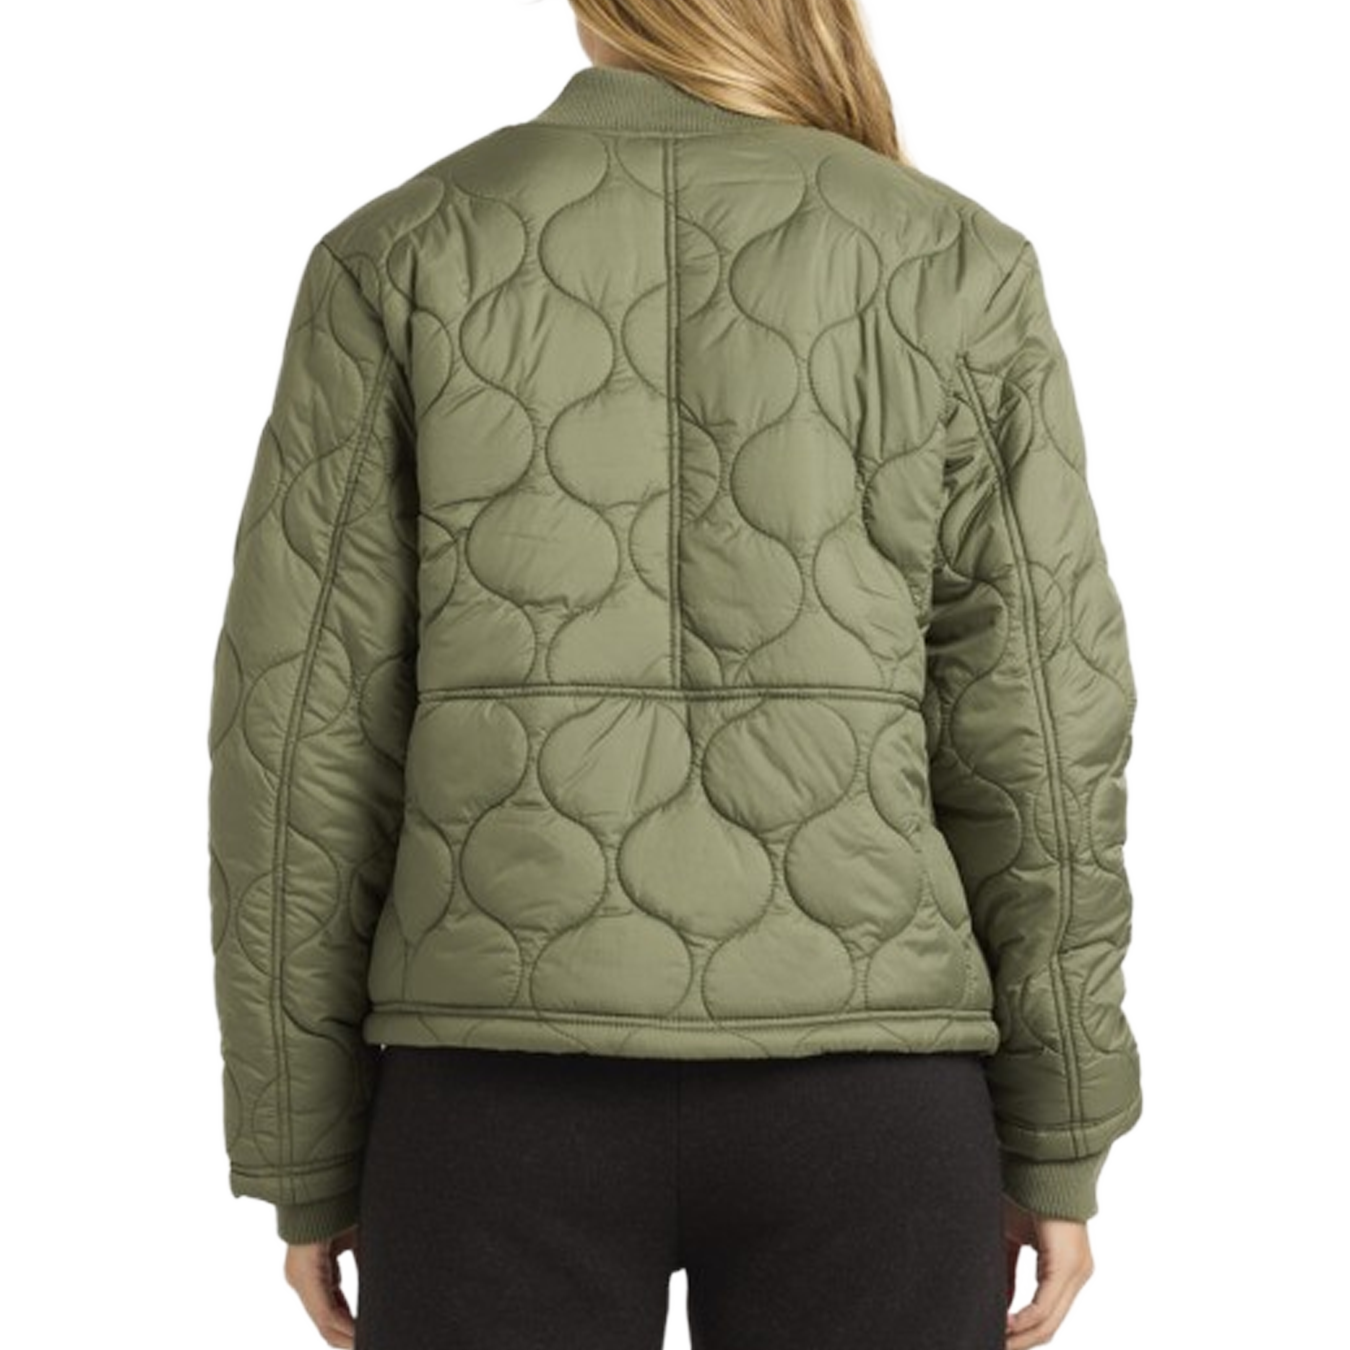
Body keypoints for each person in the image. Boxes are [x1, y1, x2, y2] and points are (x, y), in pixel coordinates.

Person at [205, 2, 1143, 1347]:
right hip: (872, 1096)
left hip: (492, 1096)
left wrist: (302, 1145)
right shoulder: (951, 259)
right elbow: (1043, 731)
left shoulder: (399, 250)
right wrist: (1061, 1131)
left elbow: (298, 741)